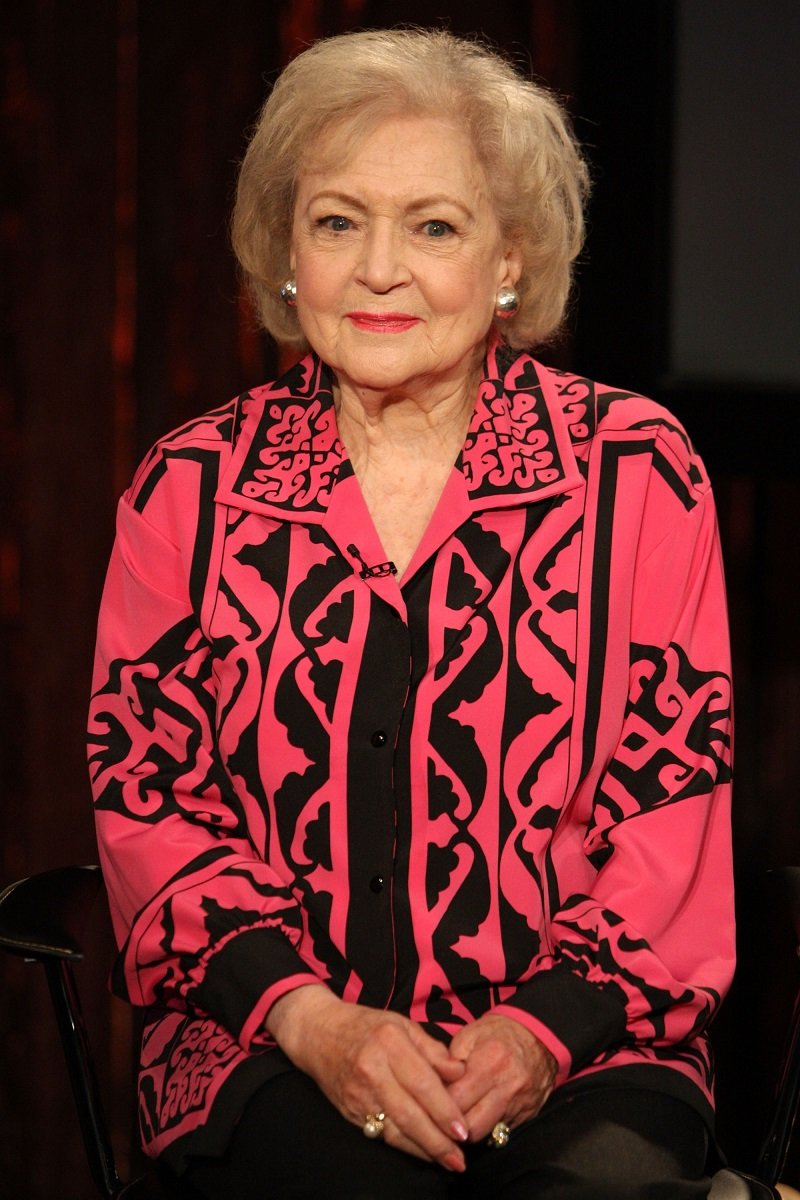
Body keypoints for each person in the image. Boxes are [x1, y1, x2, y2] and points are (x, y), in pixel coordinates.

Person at [88, 27, 734, 1199]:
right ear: (286, 253)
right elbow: (150, 801)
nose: (377, 268)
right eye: (337, 221)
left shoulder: (635, 471)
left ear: (509, 261)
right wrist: (312, 1020)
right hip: (265, 1047)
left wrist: (537, 1034)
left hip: (590, 1048)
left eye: (432, 226)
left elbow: (667, 811)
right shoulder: (187, 487)